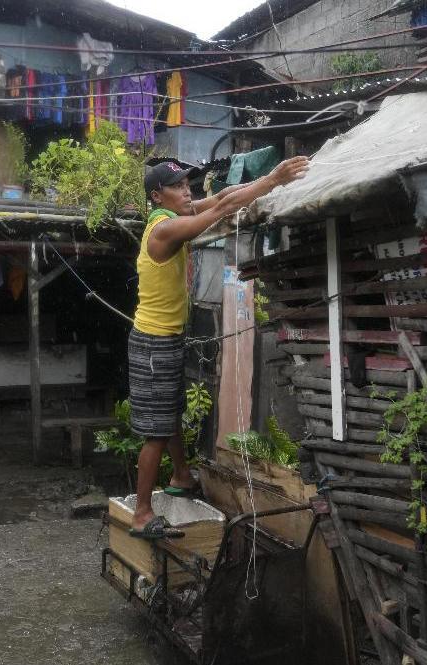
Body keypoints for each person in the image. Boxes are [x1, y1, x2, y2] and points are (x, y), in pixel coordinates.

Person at [127, 155, 310, 539]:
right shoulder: (163, 230)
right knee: (156, 432)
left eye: (187, 185)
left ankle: (181, 475)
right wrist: (273, 177)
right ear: (157, 196)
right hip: (153, 343)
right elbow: (225, 208)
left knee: (171, 413)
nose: (186, 191)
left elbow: (224, 194)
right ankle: (142, 515)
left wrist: (262, 182)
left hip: (167, 338)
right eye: (177, 187)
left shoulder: (175, 217)